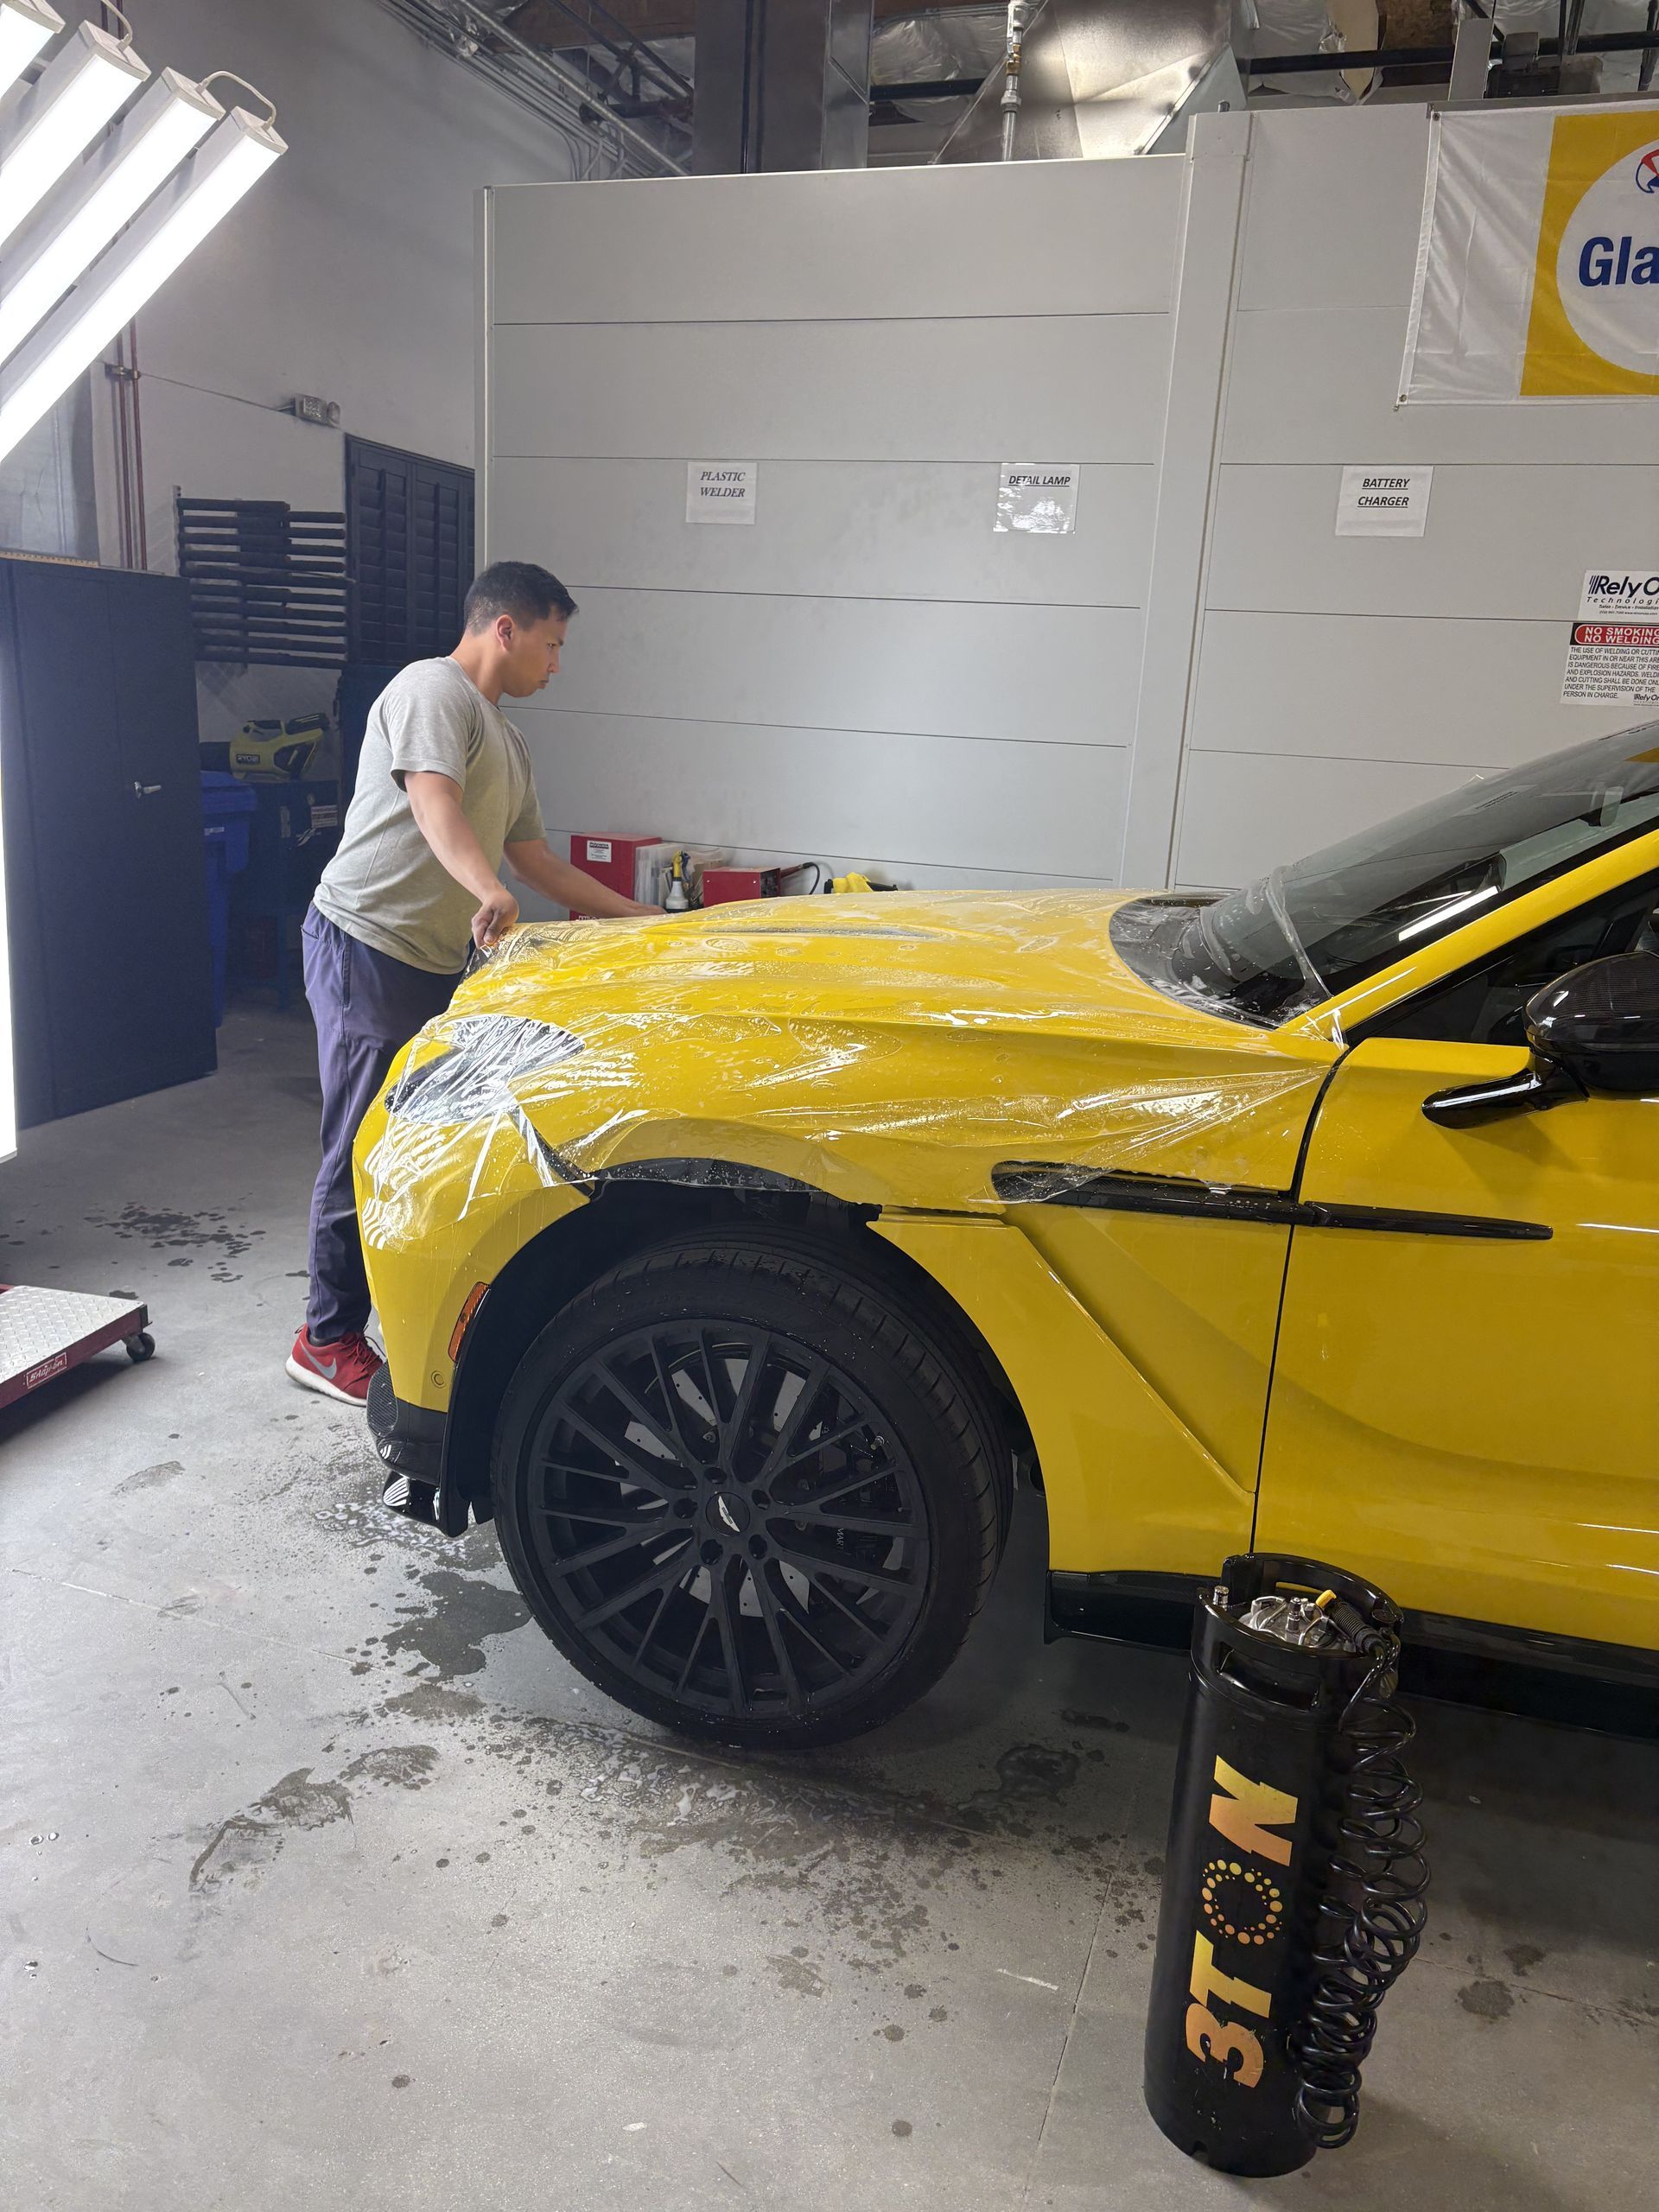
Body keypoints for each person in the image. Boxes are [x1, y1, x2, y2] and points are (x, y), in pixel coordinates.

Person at [289, 559, 657, 1408]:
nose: (555, 666)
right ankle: (324, 1337)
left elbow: (537, 862)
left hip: (428, 964)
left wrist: (641, 917)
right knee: (358, 1149)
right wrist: (485, 889)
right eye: (553, 645)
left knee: (417, 1146)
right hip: (362, 945)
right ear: (507, 629)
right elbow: (432, 800)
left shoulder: (508, 738)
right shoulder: (431, 691)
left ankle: (382, 1320)